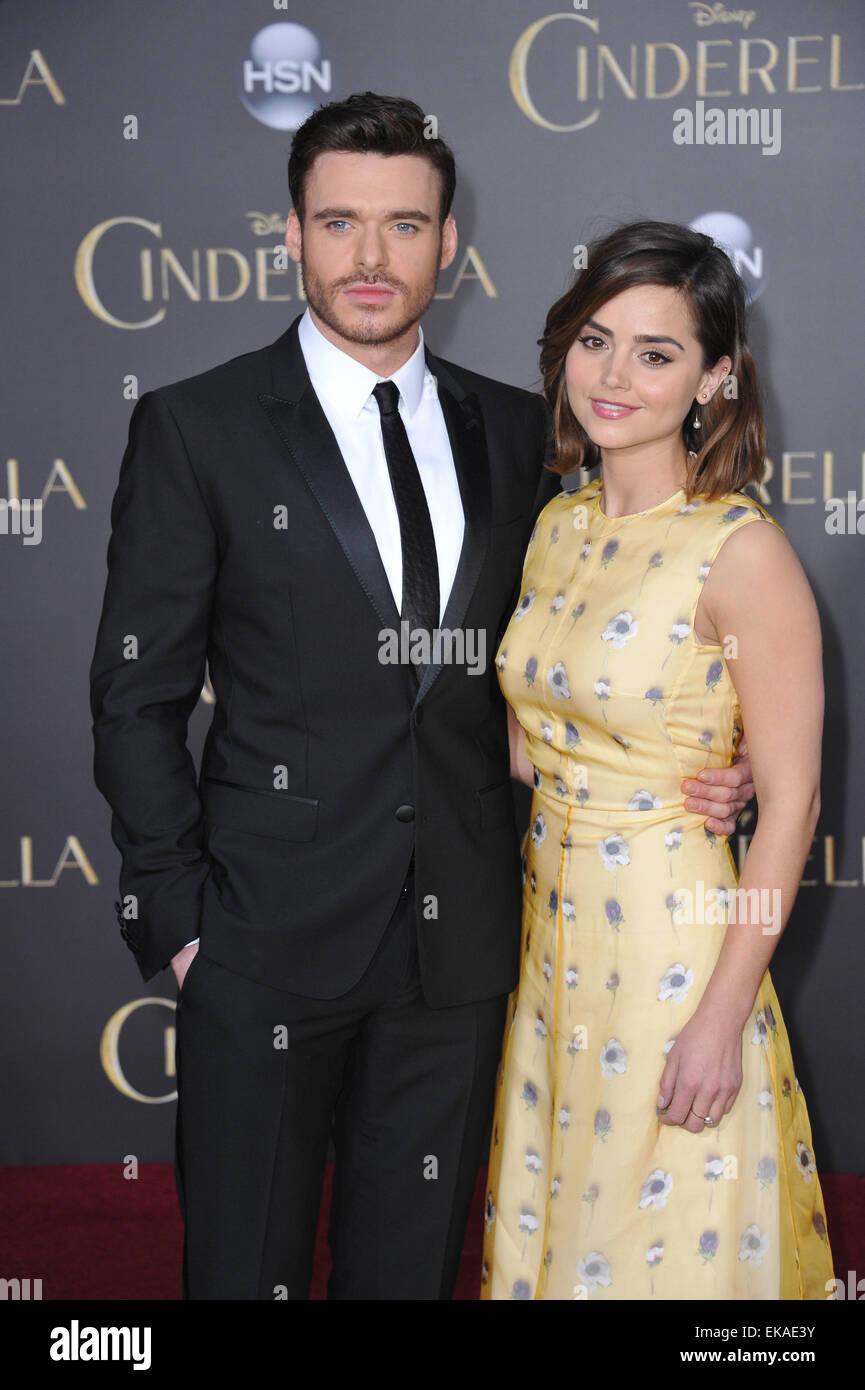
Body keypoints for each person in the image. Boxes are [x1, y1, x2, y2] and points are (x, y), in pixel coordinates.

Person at [89, 99, 749, 1300]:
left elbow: (584, 654)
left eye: (405, 225)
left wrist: (710, 761)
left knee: (409, 1275)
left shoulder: (515, 431)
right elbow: (134, 697)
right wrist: (187, 930)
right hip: (260, 941)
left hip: (459, 952)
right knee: (242, 1273)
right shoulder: (200, 426)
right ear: (290, 233)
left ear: (449, 244)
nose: (371, 257)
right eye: (339, 221)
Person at [481, 220, 834, 1301]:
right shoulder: (557, 525)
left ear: (714, 375)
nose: (614, 375)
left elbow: (791, 800)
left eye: (656, 351)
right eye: (596, 340)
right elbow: (528, 747)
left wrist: (722, 1013)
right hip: (551, 951)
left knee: (657, 1253)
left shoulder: (741, 549)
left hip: (673, 962)